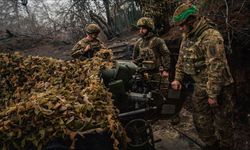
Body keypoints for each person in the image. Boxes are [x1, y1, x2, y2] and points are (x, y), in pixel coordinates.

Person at [171, 3, 235, 150]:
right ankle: (211, 144)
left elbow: (216, 67)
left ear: (191, 20)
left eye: (182, 25)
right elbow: (181, 60)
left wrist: (212, 94)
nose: (180, 28)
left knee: (223, 122)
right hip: (200, 85)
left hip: (220, 87)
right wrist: (177, 78)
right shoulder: (187, 37)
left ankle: (226, 146)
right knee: (200, 120)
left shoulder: (211, 36)